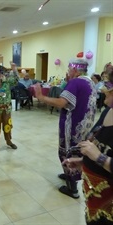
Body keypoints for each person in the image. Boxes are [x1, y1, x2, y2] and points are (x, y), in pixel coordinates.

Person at [34, 58, 97, 198]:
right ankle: (71, 177)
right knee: (78, 151)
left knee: (67, 151)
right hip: (84, 126)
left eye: (69, 69)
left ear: (74, 70)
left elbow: (62, 102)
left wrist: (41, 96)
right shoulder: (90, 81)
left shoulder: (76, 82)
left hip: (72, 125)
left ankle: (72, 187)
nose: (68, 72)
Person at [62, 73, 113, 225]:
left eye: (109, 85)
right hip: (95, 200)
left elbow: (101, 154)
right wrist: (84, 161)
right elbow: (103, 146)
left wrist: (98, 157)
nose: (105, 90)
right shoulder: (108, 111)